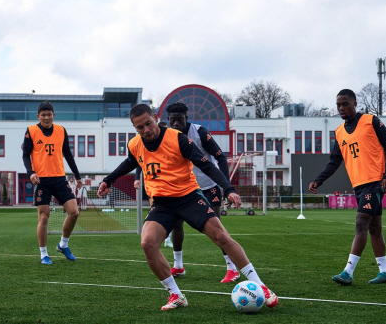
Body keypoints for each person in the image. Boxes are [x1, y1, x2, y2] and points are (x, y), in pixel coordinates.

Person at [97, 104, 277, 310]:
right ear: (134, 128)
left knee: (221, 237)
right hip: (162, 204)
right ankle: (176, 296)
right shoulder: (135, 144)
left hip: (188, 197)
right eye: (139, 127)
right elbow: (130, 162)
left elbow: (207, 165)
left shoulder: (178, 139)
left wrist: (228, 188)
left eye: (148, 123)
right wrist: (108, 180)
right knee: (147, 243)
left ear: (155, 118)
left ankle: (261, 286)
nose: (146, 130)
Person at [309, 89, 386, 285]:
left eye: (345, 104)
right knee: (375, 228)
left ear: (355, 103)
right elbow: (334, 161)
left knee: (360, 223)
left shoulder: (371, 121)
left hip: (375, 181)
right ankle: (385, 272)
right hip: (358, 185)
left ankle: (348, 272)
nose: (341, 108)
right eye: (338, 105)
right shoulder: (339, 132)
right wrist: (319, 180)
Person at [165, 102, 238, 283]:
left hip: (208, 185)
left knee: (216, 227)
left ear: (186, 118)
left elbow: (220, 156)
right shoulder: (166, 136)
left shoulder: (200, 132)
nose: (176, 124)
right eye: (172, 120)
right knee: (176, 223)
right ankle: (179, 266)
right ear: (167, 120)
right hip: (183, 188)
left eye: (179, 120)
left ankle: (232, 268)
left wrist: (225, 186)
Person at [22, 101, 83, 264]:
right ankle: (43, 254)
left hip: (59, 179)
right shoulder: (31, 131)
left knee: (74, 212)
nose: (47, 117)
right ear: (38, 116)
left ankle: (63, 244)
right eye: (43, 115)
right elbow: (25, 155)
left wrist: (77, 176)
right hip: (42, 181)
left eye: (49, 114)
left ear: (53, 115)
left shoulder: (61, 130)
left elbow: (68, 155)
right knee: (44, 217)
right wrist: (31, 172)